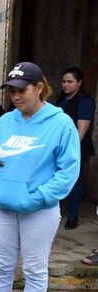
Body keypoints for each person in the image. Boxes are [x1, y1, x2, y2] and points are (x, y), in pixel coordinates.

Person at [0, 62, 80, 292]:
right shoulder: (5, 122)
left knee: (34, 269)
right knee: (3, 265)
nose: (15, 96)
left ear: (39, 87)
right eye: (11, 90)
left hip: (39, 210)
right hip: (3, 208)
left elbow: (68, 172)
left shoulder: (60, 124)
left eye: (21, 90)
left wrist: (38, 197)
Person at [56, 67, 95, 229]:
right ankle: (56, 212)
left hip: (75, 149)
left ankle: (73, 217)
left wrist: (70, 150)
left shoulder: (84, 101)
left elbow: (82, 129)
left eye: (70, 81)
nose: (66, 85)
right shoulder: (62, 99)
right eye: (64, 81)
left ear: (79, 82)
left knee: (74, 182)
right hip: (59, 147)